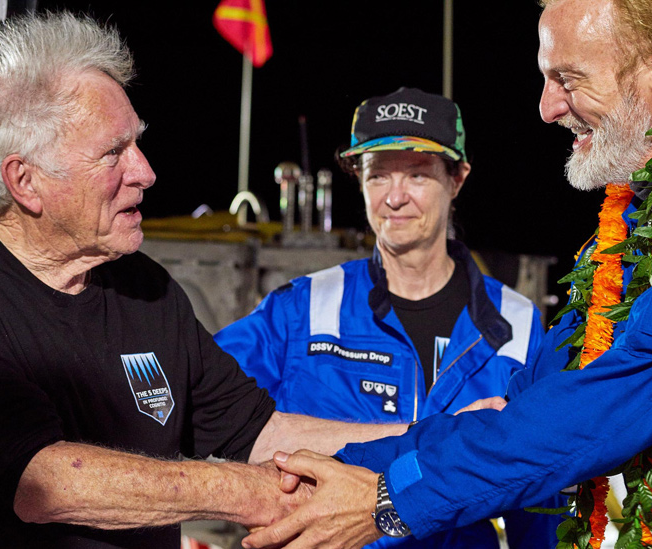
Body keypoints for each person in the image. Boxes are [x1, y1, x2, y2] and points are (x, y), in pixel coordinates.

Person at [240, 0, 652, 548]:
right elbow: (524, 408)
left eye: (567, 79)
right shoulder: (631, 232)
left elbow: (639, 385)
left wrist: (390, 500)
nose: (546, 108)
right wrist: (348, 474)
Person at [0, 12, 406, 548]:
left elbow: (259, 432)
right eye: (114, 152)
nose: (146, 171)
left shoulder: (147, 290)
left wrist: (429, 438)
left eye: (136, 144)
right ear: (26, 181)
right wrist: (250, 493)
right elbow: (45, 483)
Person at [215, 87, 557, 548]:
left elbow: (541, 500)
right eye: (377, 176)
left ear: (457, 178)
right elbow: (199, 402)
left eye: (417, 175)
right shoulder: (300, 310)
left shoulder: (516, 325)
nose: (395, 198)